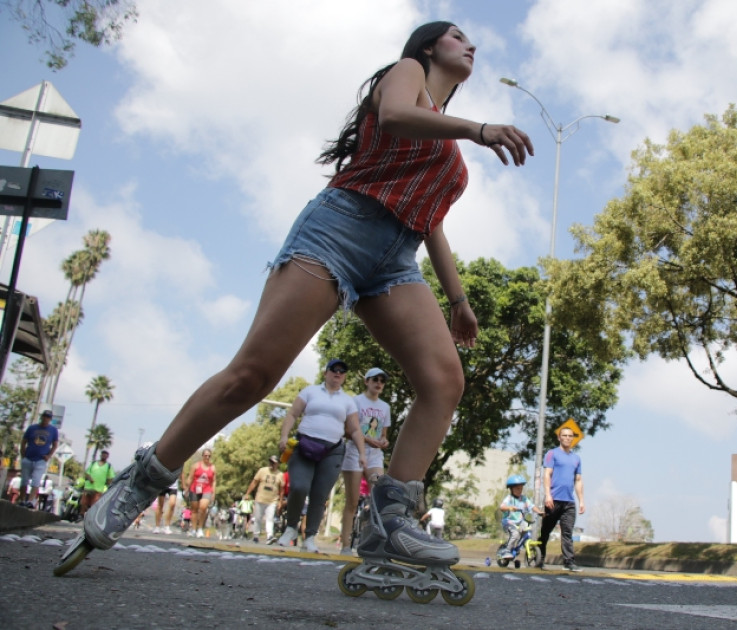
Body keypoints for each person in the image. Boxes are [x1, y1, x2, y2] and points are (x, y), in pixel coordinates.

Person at [73, 21, 532, 573]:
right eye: (457, 36)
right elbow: (390, 115)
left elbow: (429, 219)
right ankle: (140, 483)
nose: (471, 44)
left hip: (395, 260)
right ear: (431, 46)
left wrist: (457, 300)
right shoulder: (407, 74)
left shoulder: (439, 128)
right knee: (252, 376)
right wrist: (479, 130)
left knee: (444, 380)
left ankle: (391, 524)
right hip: (338, 232)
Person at [276, 359, 366, 552]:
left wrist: (362, 454)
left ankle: (310, 536)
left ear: (345, 377)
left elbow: (356, 430)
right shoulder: (310, 391)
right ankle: (291, 527)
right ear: (326, 373)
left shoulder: (348, 401)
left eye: (342, 371)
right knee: (299, 487)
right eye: (334, 370)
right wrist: (284, 436)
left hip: (332, 450)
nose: (338, 373)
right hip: (304, 445)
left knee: (319, 495)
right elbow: (292, 414)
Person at [340, 367, 391, 554]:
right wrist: (367, 440)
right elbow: (348, 430)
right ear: (366, 381)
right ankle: (345, 545)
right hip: (354, 451)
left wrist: (383, 441)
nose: (379, 383)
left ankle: (375, 543)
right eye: (375, 379)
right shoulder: (355, 402)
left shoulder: (385, 407)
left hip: (375, 455)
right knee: (352, 501)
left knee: (380, 497)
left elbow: (383, 433)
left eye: (382, 381)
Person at [538, 427, 585, 572]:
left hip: (569, 502)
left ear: (573, 438)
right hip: (553, 500)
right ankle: (539, 558)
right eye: (564, 435)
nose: (567, 438)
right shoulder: (552, 454)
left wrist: (581, 500)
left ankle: (569, 561)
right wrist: (548, 495)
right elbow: (547, 474)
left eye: (570, 436)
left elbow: (578, 480)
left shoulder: (576, 458)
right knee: (546, 531)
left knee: (567, 532)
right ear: (559, 437)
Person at [19, 410, 59, 509]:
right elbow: (23, 442)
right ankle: (22, 499)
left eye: (48, 417)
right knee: (24, 481)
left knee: (36, 481)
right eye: (44, 416)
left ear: (50, 419)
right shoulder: (32, 428)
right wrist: (23, 454)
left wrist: (49, 456)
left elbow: (55, 445)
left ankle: (30, 501)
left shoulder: (53, 430)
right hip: (28, 457)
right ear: (41, 417)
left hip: (41, 459)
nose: (46, 419)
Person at [498, 474, 541, 559]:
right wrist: (510, 507)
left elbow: (531, 506)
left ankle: (518, 547)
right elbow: (501, 507)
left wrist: (540, 512)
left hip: (520, 521)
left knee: (528, 530)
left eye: (521, 488)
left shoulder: (524, 498)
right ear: (511, 489)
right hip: (509, 522)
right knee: (515, 534)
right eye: (517, 489)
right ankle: (507, 550)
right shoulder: (509, 498)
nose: (519, 490)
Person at [244, 455, 285, 543]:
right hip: (260, 498)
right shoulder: (262, 470)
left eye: (274, 463)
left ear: (278, 464)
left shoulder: (280, 475)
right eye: (271, 462)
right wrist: (247, 493)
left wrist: (280, 501)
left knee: (270, 518)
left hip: (272, 500)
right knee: (258, 518)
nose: (272, 464)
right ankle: (256, 536)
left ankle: (269, 536)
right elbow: (254, 482)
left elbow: (282, 490)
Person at [186, 449, 216, 538]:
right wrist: (187, 488)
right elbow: (190, 478)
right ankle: (194, 529)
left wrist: (213, 493)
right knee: (194, 510)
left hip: (207, 489)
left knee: (203, 508)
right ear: (202, 456)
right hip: (195, 489)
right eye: (205, 455)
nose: (207, 457)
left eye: (209, 456)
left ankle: (200, 529)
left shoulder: (213, 467)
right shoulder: (195, 466)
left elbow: (214, 481)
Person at [80, 450, 115, 516]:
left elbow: (111, 477)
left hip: (99, 488)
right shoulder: (94, 463)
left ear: (107, 457)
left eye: (105, 455)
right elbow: (87, 473)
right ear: (100, 455)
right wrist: (90, 479)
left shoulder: (108, 466)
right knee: (84, 502)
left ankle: (90, 515)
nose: (104, 456)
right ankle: (81, 514)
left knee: (94, 504)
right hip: (89, 487)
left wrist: (109, 485)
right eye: (103, 454)